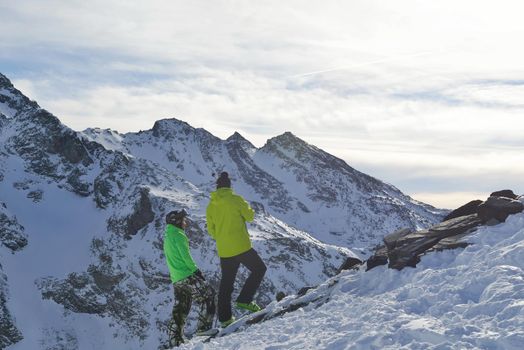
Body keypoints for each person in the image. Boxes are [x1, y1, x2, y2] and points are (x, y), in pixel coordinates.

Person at [206, 172, 267, 327]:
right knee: (259, 269)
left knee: (226, 283)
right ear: (229, 186)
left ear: (218, 187)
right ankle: (245, 299)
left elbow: (211, 230)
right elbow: (250, 216)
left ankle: (225, 319)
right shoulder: (236, 200)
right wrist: (248, 209)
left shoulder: (211, 205)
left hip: (224, 250)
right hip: (241, 246)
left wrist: (222, 236)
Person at [163, 209, 216, 347]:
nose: (185, 222)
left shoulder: (168, 236)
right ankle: (204, 328)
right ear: (177, 221)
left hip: (176, 279)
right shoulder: (179, 235)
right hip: (187, 275)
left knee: (181, 308)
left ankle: (175, 340)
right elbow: (185, 257)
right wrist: (196, 271)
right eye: (183, 220)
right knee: (208, 295)